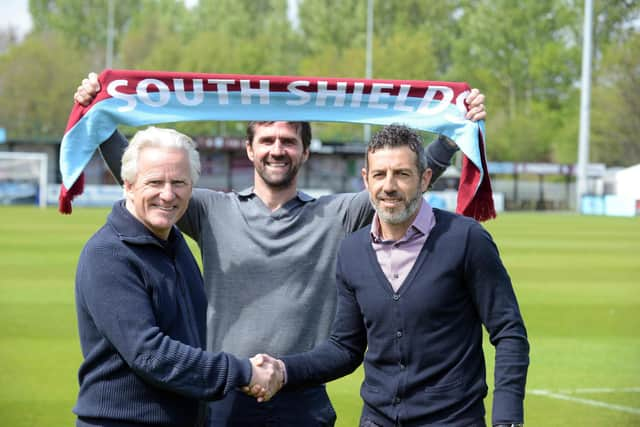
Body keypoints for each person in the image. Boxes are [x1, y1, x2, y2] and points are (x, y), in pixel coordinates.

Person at [73, 73, 487, 427]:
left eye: (288, 140)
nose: (277, 149)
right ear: (250, 150)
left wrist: (453, 131)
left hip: (303, 397)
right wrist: (99, 113)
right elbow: (144, 172)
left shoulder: (335, 213)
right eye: (267, 139)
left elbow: (399, 184)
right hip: (225, 395)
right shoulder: (210, 209)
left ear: (305, 151)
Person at [272, 124, 529, 427]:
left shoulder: (466, 239)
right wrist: (283, 370)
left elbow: (509, 331)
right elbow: (345, 348)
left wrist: (507, 419)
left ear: (425, 179)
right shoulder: (352, 251)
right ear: (366, 181)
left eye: (402, 174)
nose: (389, 186)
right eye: (380, 175)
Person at [73, 126, 283, 427]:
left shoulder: (172, 241)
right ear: (129, 185)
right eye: (155, 182)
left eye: (179, 182)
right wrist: (242, 372)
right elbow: (150, 355)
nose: (168, 194)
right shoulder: (108, 254)